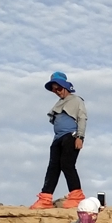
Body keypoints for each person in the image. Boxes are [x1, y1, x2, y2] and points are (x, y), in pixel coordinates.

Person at [31, 71, 87, 209]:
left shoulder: (76, 100)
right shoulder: (58, 104)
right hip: (57, 138)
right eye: (54, 90)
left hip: (71, 136)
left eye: (59, 88)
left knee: (67, 164)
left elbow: (82, 118)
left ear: (66, 87)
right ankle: (45, 198)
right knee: (53, 167)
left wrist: (80, 137)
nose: (57, 91)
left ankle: (76, 196)